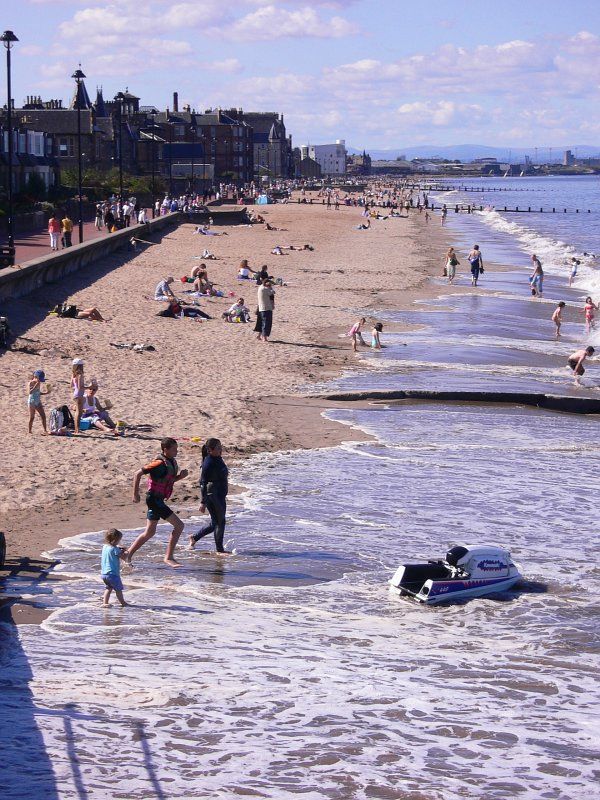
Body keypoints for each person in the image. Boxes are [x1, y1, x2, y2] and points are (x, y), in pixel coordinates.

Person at [127, 437, 188, 567]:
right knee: (179, 526)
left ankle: (128, 554)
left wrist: (180, 477)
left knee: (149, 532)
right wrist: (135, 494)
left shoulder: (170, 461)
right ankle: (169, 557)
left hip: (157, 499)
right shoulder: (158, 463)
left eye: (177, 449)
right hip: (154, 500)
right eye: (174, 449)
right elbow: (137, 474)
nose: (176, 452)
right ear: (165, 450)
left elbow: (167, 481)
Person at [189, 438, 229, 554]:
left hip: (219, 495)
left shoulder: (217, 459)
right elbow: (202, 483)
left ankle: (194, 537)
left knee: (215, 523)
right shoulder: (208, 462)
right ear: (210, 450)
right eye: (217, 448)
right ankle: (220, 550)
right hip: (213, 495)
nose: (220, 449)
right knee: (220, 522)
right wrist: (203, 502)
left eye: (221, 447)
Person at [101, 528, 129, 607]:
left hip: (104, 574)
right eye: (119, 540)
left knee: (108, 588)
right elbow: (123, 557)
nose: (119, 542)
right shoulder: (114, 549)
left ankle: (105, 603)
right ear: (115, 540)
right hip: (113, 574)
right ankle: (123, 603)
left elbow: (112, 551)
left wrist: (119, 549)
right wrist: (127, 552)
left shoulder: (105, 547)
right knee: (118, 589)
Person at [27, 369, 49, 434]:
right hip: (31, 402)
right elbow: (30, 392)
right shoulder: (30, 383)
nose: (40, 381)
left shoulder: (38, 383)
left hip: (37, 401)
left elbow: (38, 393)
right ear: (35, 377)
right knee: (32, 417)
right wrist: (35, 386)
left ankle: (45, 430)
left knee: (43, 416)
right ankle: (29, 431)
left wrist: (46, 393)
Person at [71, 358, 85, 434]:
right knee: (78, 413)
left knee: (78, 412)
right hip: (79, 394)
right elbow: (80, 387)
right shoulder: (80, 375)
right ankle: (77, 429)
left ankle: (77, 429)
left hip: (75, 394)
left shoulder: (73, 374)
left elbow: (72, 385)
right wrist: (89, 387)